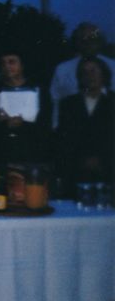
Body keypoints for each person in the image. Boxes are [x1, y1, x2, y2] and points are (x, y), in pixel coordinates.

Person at [0, 46, 52, 169]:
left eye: (12, 62)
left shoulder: (39, 90)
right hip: (2, 154)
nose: (7, 66)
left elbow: (46, 124)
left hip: (33, 153)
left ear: (22, 65)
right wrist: (4, 124)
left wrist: (22, 124)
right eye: (3, 63)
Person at [56, 56, 113, 196]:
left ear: (104, 74)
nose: (89, 76)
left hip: (110, 172)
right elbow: (64, 140)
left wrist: (101, 160)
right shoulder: (68, 104)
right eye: (84, 72)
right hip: (76, 173)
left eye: (93, 71)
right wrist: (82, 161)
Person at [49, 22, 115, 127]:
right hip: (73, 130)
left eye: (92, 39)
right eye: (83, 39)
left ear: (100, 42)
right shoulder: (62, 69)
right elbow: (55, 102)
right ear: (77, 43)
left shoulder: (113, 67)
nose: (88, 43)